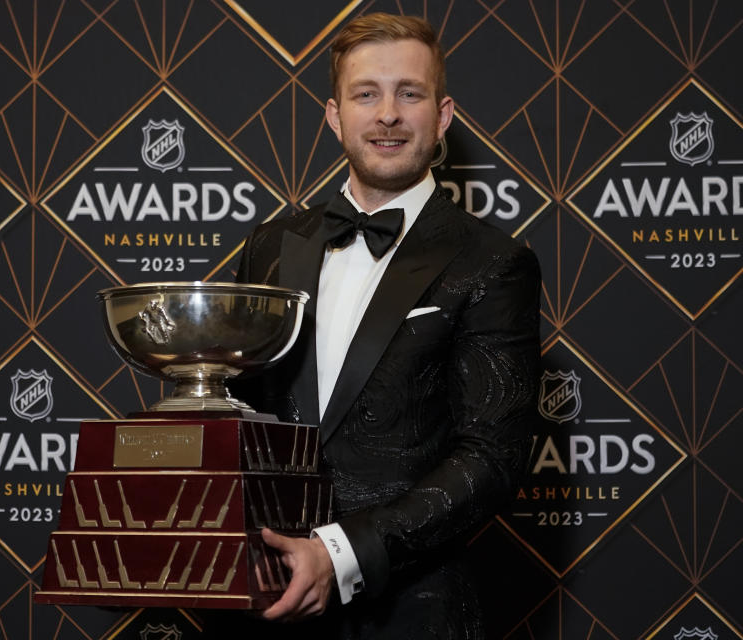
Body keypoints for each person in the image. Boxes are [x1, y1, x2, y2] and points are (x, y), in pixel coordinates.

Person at [225, 12, 542, 639]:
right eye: (366, 94)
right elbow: (240, 409)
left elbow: (492, 458)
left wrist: (339, 555)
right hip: (263, 604)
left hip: (411, 612)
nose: (388, 114)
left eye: (410, 93)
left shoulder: (492, 262)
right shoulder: (271, 245)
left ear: (443, 115)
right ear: (335, 116)